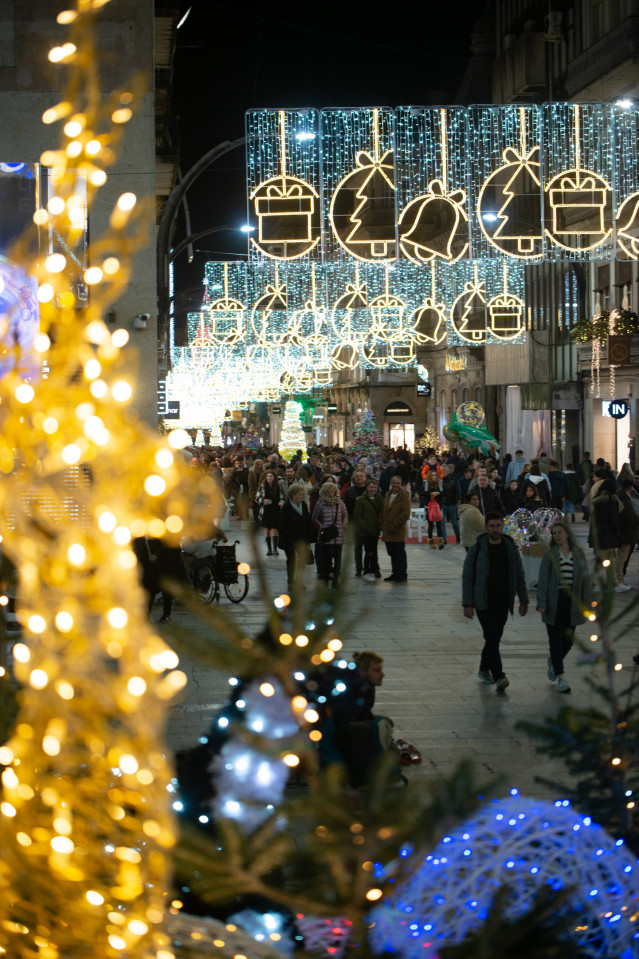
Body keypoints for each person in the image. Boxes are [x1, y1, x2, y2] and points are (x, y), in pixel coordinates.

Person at [462, 511, 529, 692]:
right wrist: (467, 603)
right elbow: (468, 576)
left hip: (503, 601)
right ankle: (499, 675)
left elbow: (519, 575)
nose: (495, 529)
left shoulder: (510, 548)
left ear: (502, 527)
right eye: (492, 526)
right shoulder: (477, 548)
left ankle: (483, 669)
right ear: (486, 528)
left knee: (494, 638)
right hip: (483, 602)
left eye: (498, 526)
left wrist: (523, 600)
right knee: (492, 636)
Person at [536, 520, 590, 694]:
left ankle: (553, 662)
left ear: (567, 533)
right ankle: (561, 677)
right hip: (555, 601)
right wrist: (542, 602)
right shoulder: (550, 555)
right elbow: (543, 580)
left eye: (560, 532)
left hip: (572, 602)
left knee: (568, 641)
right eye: (554, 533)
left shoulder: (578, 555)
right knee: (555, 641)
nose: (557, 536)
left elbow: (585, 580)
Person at [278, 482, 314, 593]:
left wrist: (308, 537)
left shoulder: (303, 505)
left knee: (302, 559)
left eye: (302, 494)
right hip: (289, 539)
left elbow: (308, 520)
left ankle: (299, 581)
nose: (302, 496)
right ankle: (290, 582)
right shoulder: (287, 507)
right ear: (293, 495)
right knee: (291, 560)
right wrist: (289, 538)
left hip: (301, 538)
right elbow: (282, 525)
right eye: (300, 494)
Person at [312, 481, 348, 588]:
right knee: (327, 559)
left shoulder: (340, 503)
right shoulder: (321, 503)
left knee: (338, 559)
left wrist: (343, 525)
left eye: (333, 491)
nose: (331, 494)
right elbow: (314, 517)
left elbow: (345, 515)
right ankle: (326, 579)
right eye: (328, 492)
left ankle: (335, 581)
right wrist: (321, 526)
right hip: (327, 534)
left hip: (338, 534)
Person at [380, 474, 411, 582]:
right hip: (388, 530)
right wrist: (382, 523)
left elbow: (406, 513)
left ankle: (402, 574)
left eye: (398, 483)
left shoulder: (404, 497)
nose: (396, 485)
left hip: (398, 530)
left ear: (400, 484)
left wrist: (395, 523)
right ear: (391, 484)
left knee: (399, 553)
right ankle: (395, 573)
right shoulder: (388, 495)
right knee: (392, 553)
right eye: (394, 483)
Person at [588, 477, 621, 572]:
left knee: (604, 561)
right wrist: (618, 532)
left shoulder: (596, 501)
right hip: (608, 536)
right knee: (606, 562)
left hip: (597, 536)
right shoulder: (612, 501)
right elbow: (614, 519)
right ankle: (598, 580)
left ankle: (609, 579)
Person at [353, 479, 383, 582]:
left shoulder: (378, 500)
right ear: (367, 488)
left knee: (374, 551)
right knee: (369, 551)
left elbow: (381, 512)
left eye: (374, 487)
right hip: (365, 532)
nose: (373, 489)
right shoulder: (361, 500)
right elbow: (357, 515)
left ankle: (373, 569)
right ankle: (366, 571)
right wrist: (365, 527)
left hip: (374, 531)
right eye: (371, 487)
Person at [614, 479, 639, 592]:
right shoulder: (625, 499)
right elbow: (630, 517)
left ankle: (618, 579)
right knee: (622, 557)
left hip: (624, 532)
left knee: (621, 557)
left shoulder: (619, 497)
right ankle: (618, 580)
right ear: (630, 488)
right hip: (627, 533)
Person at [343, 469, 368, 575]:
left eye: (361, 476)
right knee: (357, 546)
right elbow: (345, 506)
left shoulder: (369, 489)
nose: (359, 478)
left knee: (369, 547)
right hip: (355, 522)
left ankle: (368, 568)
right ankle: (358, 568)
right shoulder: (349, 491)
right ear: (354, 478)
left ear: (365, 477)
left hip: (368, 522)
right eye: (357, 476)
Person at [256, 469, 284, 556]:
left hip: (275, 510)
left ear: (274, 477)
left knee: (275, 528)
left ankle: (275, 549)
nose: (269, 478)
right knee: (267, 529)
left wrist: (281, 502)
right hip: (266, 510)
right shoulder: (262, 487)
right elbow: (257, 498)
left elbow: (282, 497)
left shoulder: (277, 486)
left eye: (271, 476)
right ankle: (269, 549)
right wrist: (262, 501)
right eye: (268, 476)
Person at [441, 463, 461, 544]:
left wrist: (455, 501)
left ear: (448, 471)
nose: (442, 472)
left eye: (444, 470)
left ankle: (458, 536)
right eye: (441, 470)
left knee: (454, 522)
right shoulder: (438, 480)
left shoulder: (454, 480)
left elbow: (458, 491)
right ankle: (444, 539)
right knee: (442, 522)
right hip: (442, 504)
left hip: (452, 504)